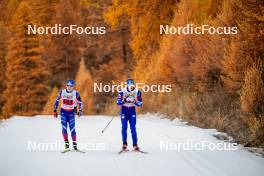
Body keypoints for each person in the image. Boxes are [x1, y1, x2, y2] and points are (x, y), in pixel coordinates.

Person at [54, 79, 83, 151]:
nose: (69, 87)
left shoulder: (76, 93)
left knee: (72, 129)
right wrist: (55, 110)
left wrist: (80, 110)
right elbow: (57, 100)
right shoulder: (62, 92)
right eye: (68, 86)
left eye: (71, 86)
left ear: (73, 86)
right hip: (63, 112)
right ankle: (66, 145)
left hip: (71, 113)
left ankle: (74, 146)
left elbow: (80, 102)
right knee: (64, 128)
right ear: (66, 85)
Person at [117, 79, 143, 151]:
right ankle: (124, 144)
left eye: (132, 86)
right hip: (124, 111)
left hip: (132, 111)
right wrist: (124, 101)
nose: (131, 87)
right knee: (124, 127)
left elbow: (140, 103)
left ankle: (135, 145)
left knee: (133, 128)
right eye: (129, 86)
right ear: (126, 86)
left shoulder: (137, 91)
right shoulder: (122, 91)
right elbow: (118, 102)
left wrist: (135, 102)